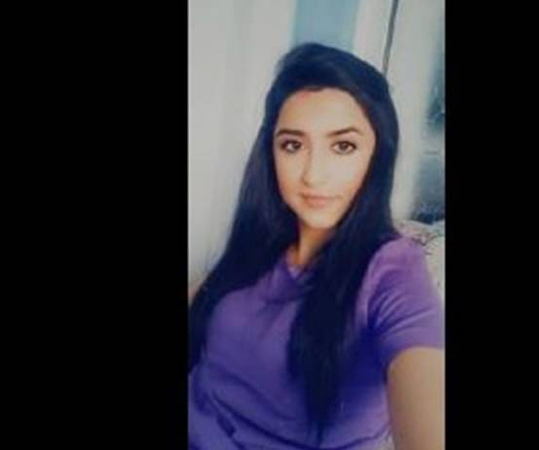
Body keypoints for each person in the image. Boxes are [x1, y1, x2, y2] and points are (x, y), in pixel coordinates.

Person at [188, 43, 445, 450]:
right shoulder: (263, 238)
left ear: (377, 155)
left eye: (343, 146)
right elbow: (210, 296)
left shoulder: (394, 272)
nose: (313, 175)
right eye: (293, 145)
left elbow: (425, 390)